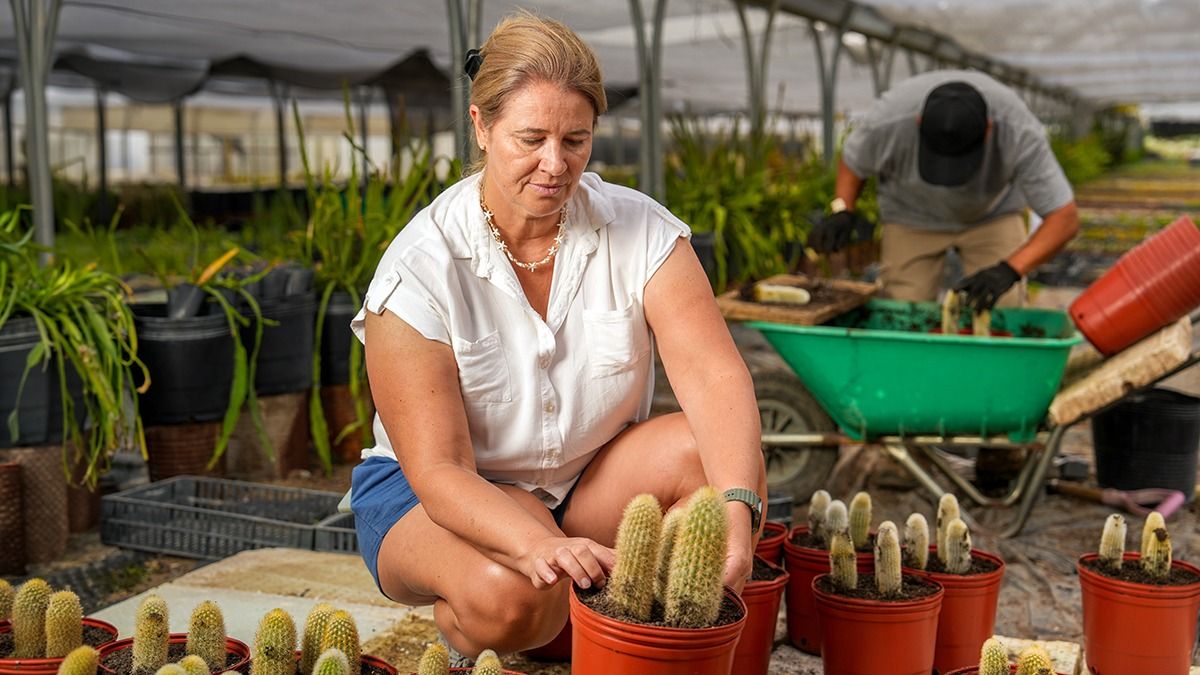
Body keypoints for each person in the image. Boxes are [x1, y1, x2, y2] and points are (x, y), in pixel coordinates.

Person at [347, 12, 766, 665]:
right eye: (531, 137)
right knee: (513, 597)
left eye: (576, 139)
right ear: (481, 127)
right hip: (434, 489)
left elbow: (714, 378)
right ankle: (474, 620)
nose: (555, 163)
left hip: (583, 478)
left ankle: (579, 606)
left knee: (707, 453)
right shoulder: (419, 269)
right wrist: (535, 544)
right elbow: (440, 469)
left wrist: (741, 507)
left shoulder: (643, 232)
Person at [807, 70, 1080, 311]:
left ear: (988, 130)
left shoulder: (1018, 129)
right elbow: (854, 161)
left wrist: (1009, 270)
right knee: (902, 308)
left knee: (1002, 308)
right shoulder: (887, 121)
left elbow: (1064, 218)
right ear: (918, 122)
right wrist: (842, 208)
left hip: (992, 214)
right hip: (910, 215)